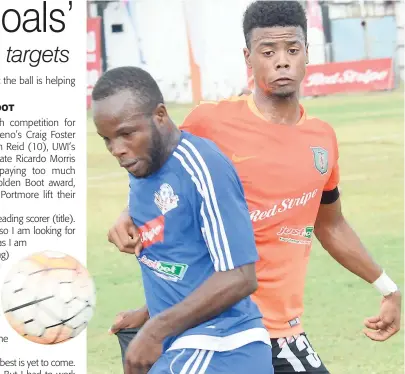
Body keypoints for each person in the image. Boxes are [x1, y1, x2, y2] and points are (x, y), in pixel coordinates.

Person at [107, 1, 402, 373]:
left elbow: (330, 224)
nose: (282, 61)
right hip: (222, 328)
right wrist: (127, 214)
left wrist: (387, 287)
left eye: (292, 50)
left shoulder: (322, 140)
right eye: (268, 51)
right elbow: (167, 188)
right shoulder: (210, 123)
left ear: (308, 54)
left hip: (281, 331)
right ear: (249, 57)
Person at [91, 66, 274, 374]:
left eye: (125, 133)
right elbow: (186, 263)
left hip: (223, 346)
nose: (117, 150)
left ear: (160, 116)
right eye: (106, 139)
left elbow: (240, 277)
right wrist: (148, 314)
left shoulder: (203, 168)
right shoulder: (142, 165)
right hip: (184, 345)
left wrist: (156, 329)